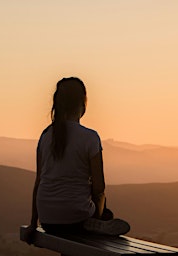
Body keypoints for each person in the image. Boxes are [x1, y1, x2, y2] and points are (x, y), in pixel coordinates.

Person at [24, 77, 130, 243]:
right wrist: (99, 212)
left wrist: (33, 223)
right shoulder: (90, 138)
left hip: (47, 220)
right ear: (83, 104)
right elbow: (99, 188)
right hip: (76, 218)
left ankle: (95, 222)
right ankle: (97, 222)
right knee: (106, 212)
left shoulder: (45, 136)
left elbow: (39, 183)